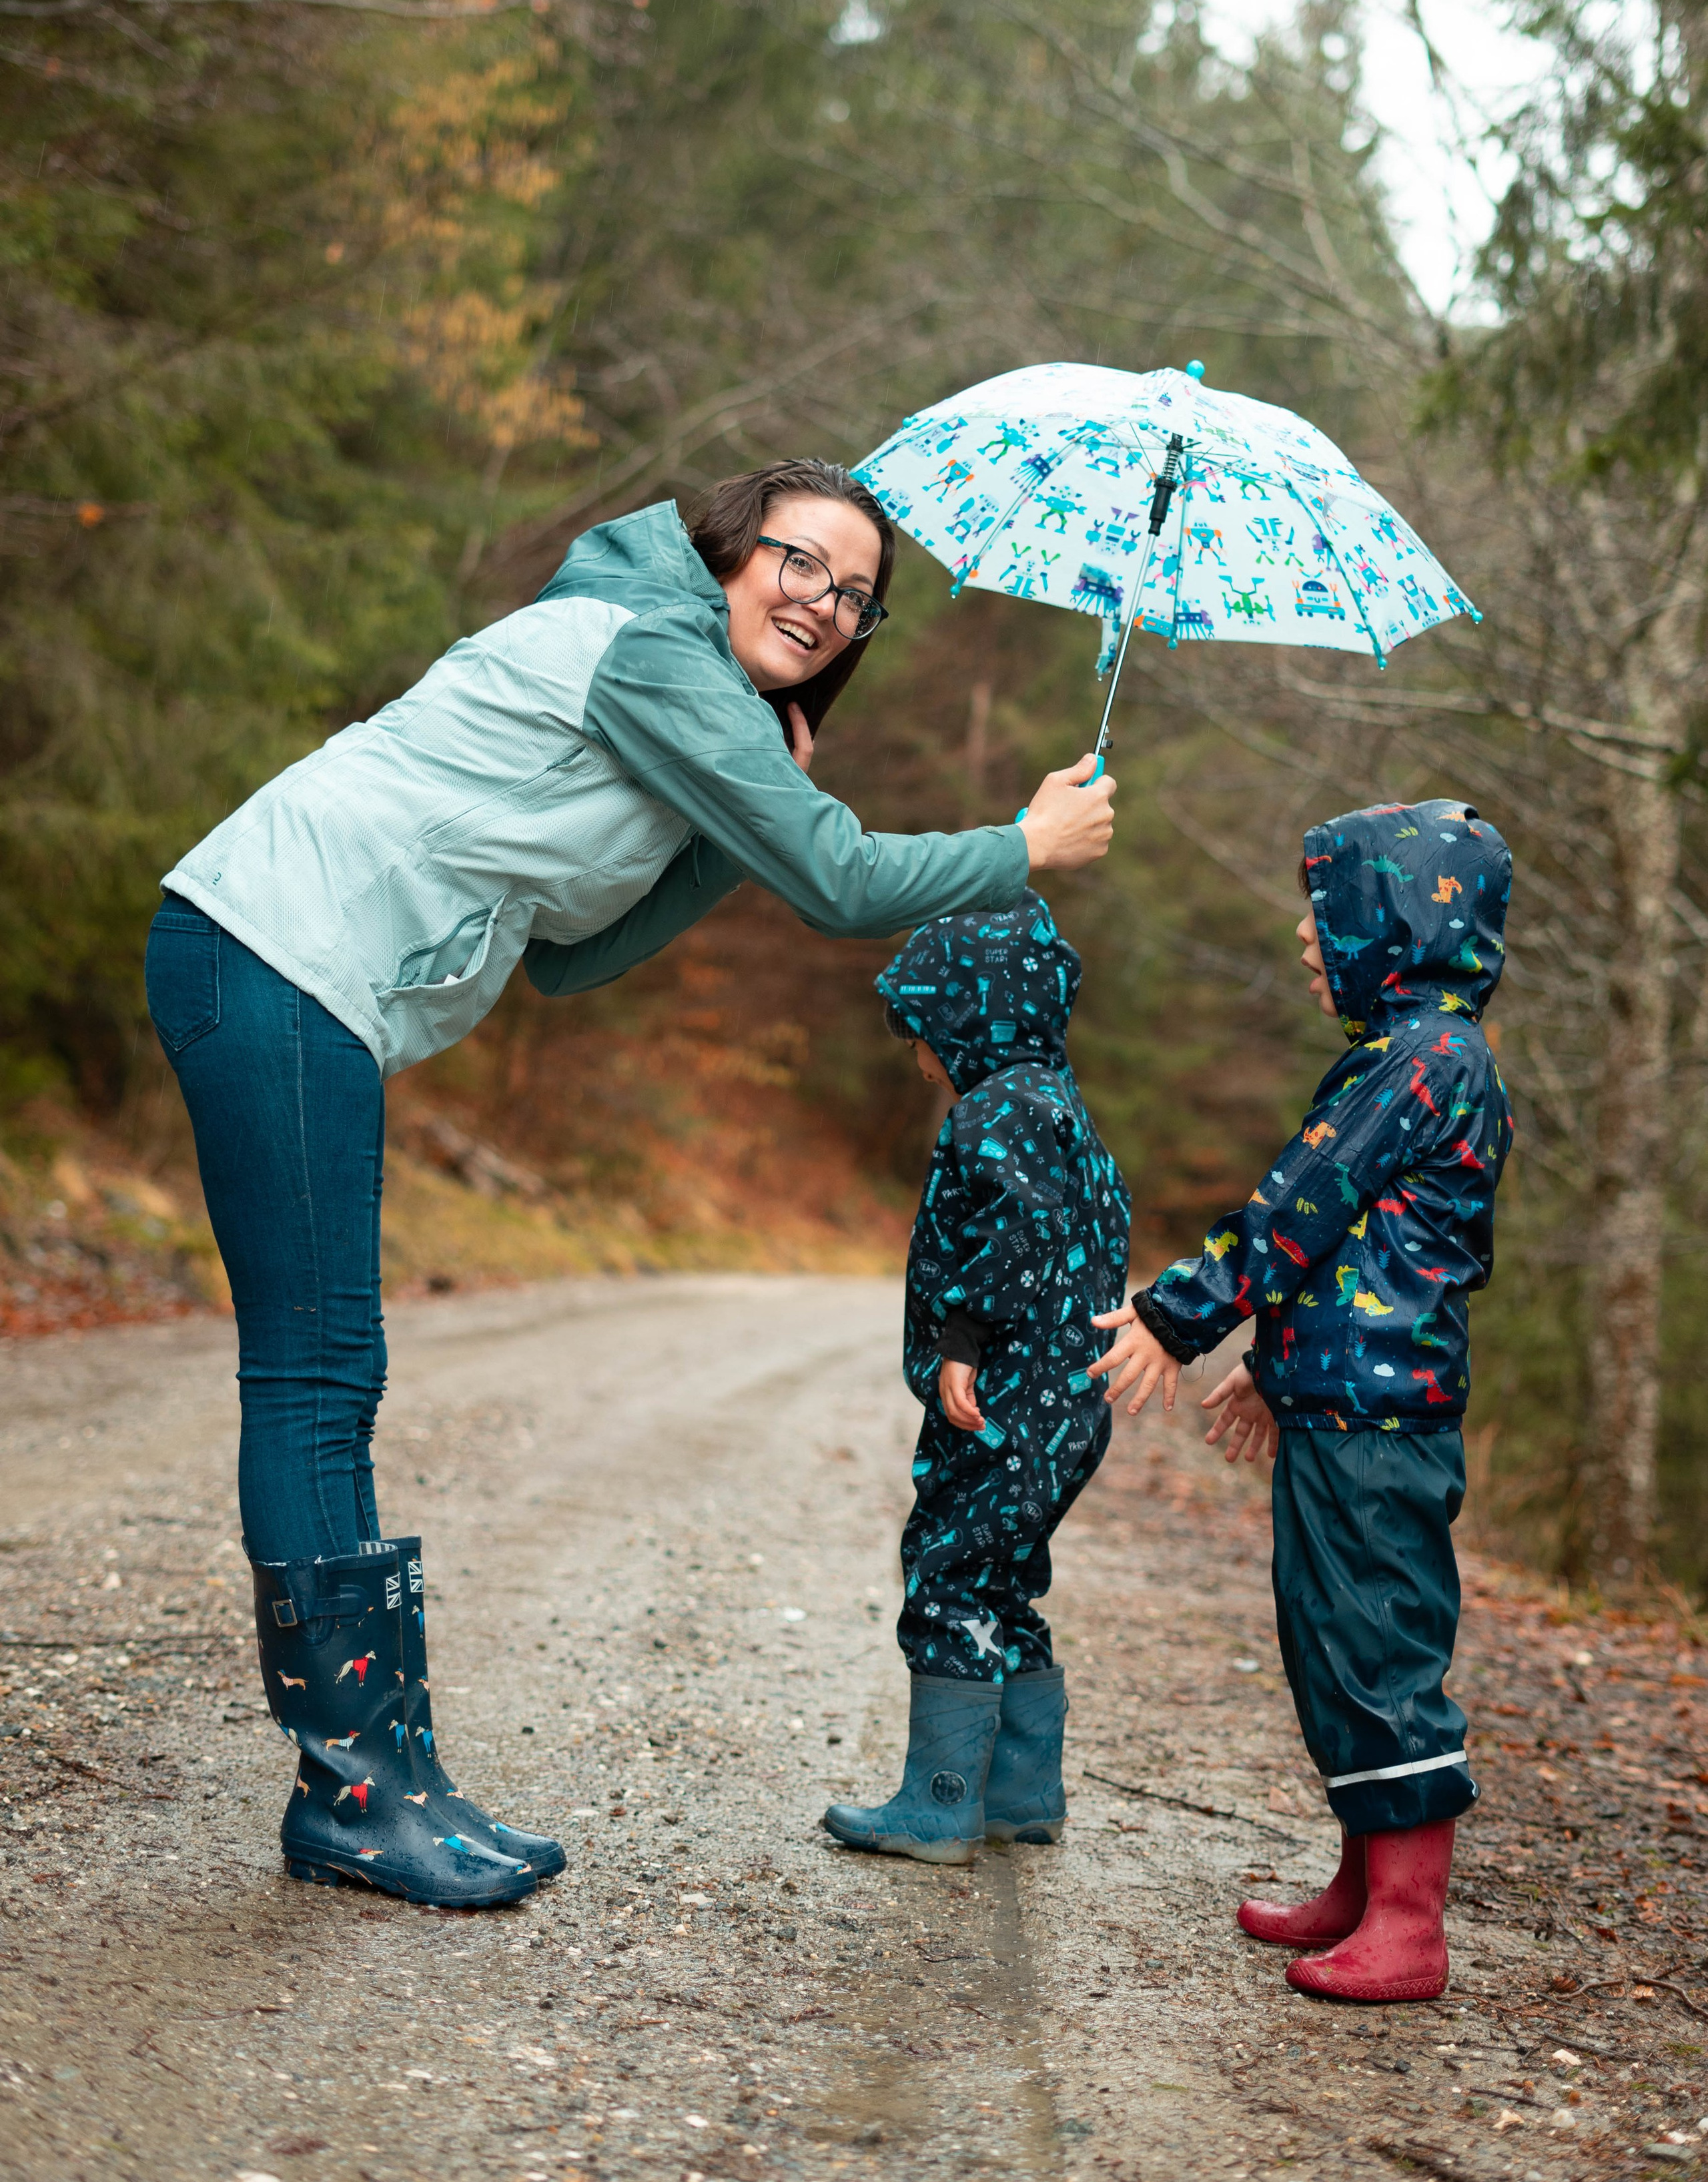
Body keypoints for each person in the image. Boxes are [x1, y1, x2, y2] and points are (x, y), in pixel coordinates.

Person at [143, 459, 1118, 1910]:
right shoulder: (649, 644)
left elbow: (571, 958)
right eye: (801, 562)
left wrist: (747, 821)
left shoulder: (685, 703)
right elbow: (842, 883)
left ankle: (385, 1779)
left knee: (335, 1374)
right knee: (315, 1374)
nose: (824, 604)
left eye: (855, 597)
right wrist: (1017, 848)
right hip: (274, 949)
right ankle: (354, 1790)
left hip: (297, 973)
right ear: (727, 548)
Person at [1090, 799, 1512, 2003]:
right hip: (1346, 1403)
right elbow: (1357, 1253)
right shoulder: (1402, 1056)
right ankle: (1361, 1880)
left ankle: (1410, 1926)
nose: (1304, 936)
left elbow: (1301, 1208)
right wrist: (1279, 1370)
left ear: (1398, 926)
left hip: (1387, 1424)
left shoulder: (1428, 1061)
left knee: (1380, 1642)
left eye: (1329, 915)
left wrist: (1180, 1315)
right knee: (1327, 1644)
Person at [823, 893, 1130, 1865]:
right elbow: (1093, 1232)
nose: (919, 1060)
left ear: (968, 1020)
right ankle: (1022, 1792)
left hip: (1003, 1397)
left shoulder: (999, 1111)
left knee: (951, 1569)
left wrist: (964, 1340)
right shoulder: (1068, 1111)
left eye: (923, 1034)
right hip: (1065, 1404)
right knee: (1007, 1578)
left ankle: (941, 1801)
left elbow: (1012, 1229)